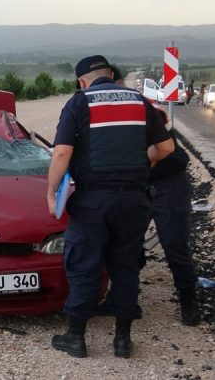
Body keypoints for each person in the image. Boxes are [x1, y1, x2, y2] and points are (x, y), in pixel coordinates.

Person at [47, 55, 174, 359]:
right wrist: (146, 163)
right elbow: (167, 147)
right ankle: (122, 341)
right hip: (134, 200)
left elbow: (63, 153)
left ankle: (76, 338)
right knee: (126, 266)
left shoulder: (80, 102)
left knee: (84, 265)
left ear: (82, 81)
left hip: (93, 200)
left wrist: (51, 192)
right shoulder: (140, 102)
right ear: (112, 76)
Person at [97, 107, 201, 326]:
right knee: (125, 244)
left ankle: (188, 301)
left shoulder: (149, 114)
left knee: (174, 244)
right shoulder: (104, 120)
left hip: (169, 182)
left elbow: (163, 152)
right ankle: (121, 300)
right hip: (138, 184)